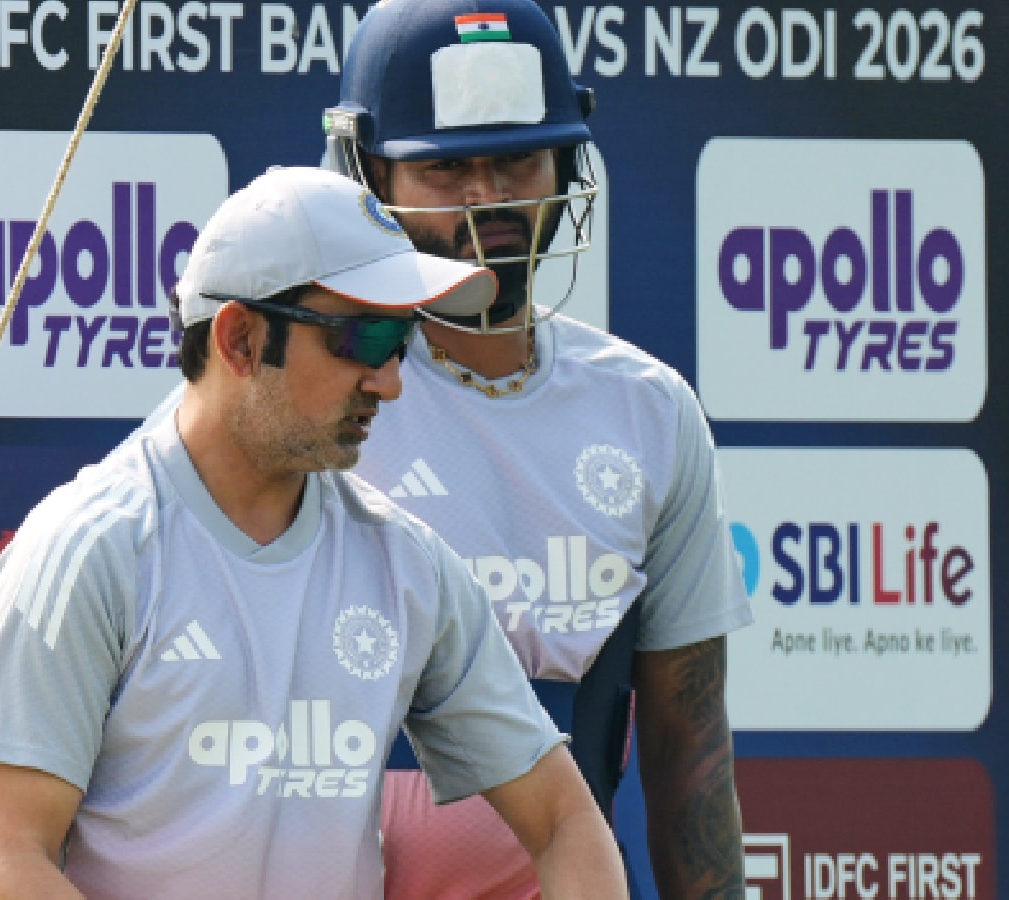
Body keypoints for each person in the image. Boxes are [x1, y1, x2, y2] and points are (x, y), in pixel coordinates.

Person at [0, 166, 630, 899]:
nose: (390, 380)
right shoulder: (88, 550)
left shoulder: (408, 564)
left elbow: (564, 823)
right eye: (363, 337)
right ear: (240, 339)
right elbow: (3, 863)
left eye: (402, 340)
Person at [322, 1, 754, 895]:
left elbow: (690, 758)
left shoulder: (648, 409)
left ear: (566, 160)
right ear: (368, 173)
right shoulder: (312, 394)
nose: (490, 198)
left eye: (517, 159)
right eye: (447, 169)